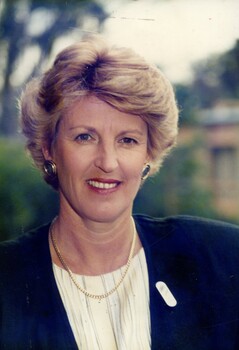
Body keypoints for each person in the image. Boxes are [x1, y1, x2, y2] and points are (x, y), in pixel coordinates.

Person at [0, 34, 239, 350]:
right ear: (49, 149)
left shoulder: (221, 257)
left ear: (149, 154)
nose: (107, 163)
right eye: (85, 137)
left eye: (127, 140)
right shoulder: (7, 279)